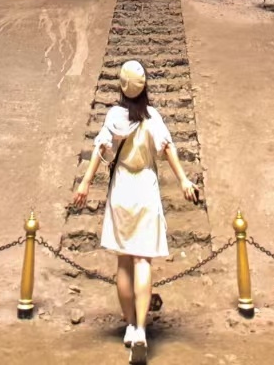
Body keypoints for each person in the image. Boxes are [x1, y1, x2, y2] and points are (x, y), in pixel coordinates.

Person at [73, 60, 198, 363]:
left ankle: (129, 325)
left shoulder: (115, 117)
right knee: (143, 259)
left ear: (121, 86)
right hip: (144, 186)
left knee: (123, 261)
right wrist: (183, 180)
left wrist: (85, 184)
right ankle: (141, 328)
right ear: (144, 86)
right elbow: (167, 148)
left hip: (122, 188)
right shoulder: (152, 117)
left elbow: (101, 148)